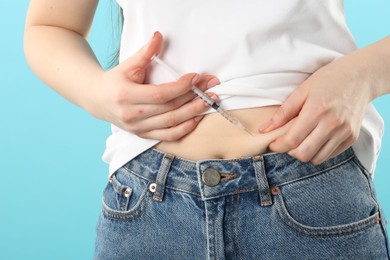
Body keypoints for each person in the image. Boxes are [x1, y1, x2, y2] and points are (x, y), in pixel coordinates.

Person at [24, 0, 390, 259]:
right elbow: (51, 25)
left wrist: (359, 77)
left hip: (310, 191)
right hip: (148, 207)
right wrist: (96, 92)